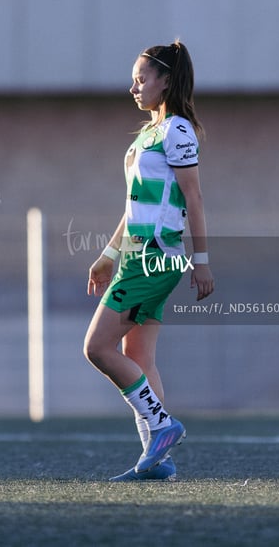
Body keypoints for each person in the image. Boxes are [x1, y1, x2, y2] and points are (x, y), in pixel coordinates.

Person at [83, 40, 214, 481]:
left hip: (156, 258)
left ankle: (162, 426)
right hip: (133, 257)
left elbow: (193, 197)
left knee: (96, 347)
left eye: (142, 79)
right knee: (136, 353)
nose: (134, 87)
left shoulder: (177, 129)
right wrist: (107, 256)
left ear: (166, 81)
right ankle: (158, 459)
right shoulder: (147, 134)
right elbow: (133, 208)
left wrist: (202, 260)